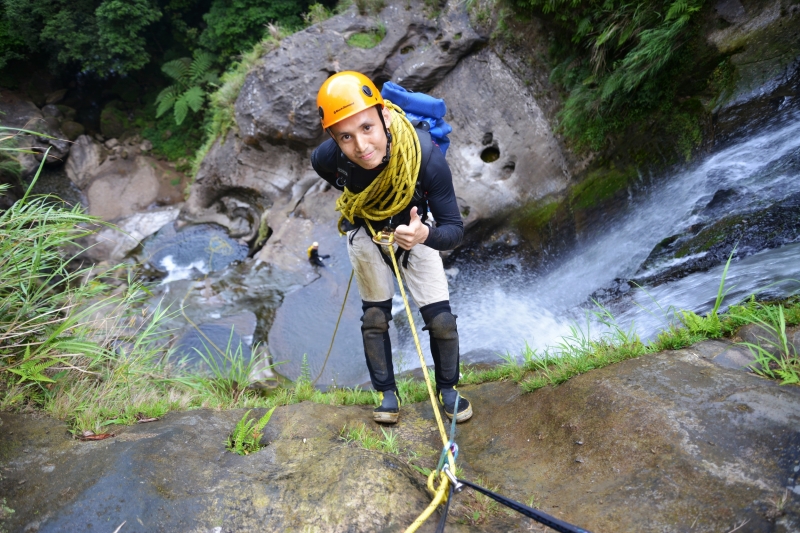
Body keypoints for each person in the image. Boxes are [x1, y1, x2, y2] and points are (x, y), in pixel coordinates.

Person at [310, 71, 472, 424]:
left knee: (442, 321)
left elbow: (454, 231)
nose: (361, 146)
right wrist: (364, 207)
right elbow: (332, 174)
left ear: (384, 115)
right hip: (366, 231)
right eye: (346, 137)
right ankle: (386, 394)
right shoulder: (329, 158)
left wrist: (422, 235)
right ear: (335, 140)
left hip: (416, 230)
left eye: (367, 127)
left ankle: (448, 390)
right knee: (375, 318)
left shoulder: (425, 157)